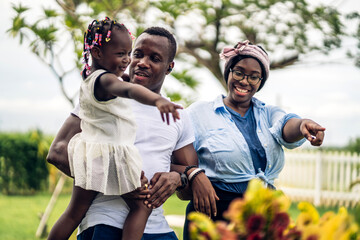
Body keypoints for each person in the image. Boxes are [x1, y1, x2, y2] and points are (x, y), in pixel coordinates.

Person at [47, 26, 218, 240]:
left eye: (154, 58)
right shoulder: (107, 99)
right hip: (105, 223)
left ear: (169, 67)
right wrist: (118, 180)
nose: (142, 62)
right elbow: (58, 152)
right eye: (138, 54)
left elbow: (185, 190)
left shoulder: (178, 115)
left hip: (158, 229)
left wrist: (182, 177)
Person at [182, 40, 326, 239]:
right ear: (229, 72)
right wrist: (194, 174)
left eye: (254, 77)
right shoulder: (199, 113)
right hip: (214, 213)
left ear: (261, 82)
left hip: (261, 215)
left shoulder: (267, 113)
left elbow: (286, 125)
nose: (244, 81)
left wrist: (303, 126)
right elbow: (176, 155)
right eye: (239, 72)